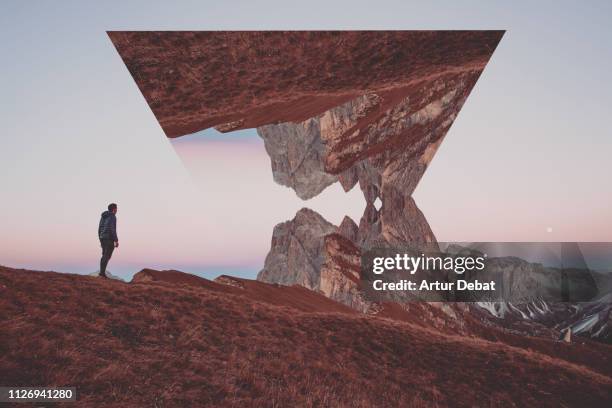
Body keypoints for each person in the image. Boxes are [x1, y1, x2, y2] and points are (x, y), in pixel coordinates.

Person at [98, 203, 119, 278]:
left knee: (104, 255)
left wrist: (100, 239)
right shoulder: (113, 216)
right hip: (109, 239)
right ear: (114, 209)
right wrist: (116, 240)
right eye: (116, 208)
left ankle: (102, 272)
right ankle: (102, 274)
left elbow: (99, 228)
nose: (117, 210)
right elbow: (112, 228)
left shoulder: (103, 217)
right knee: (107, 256)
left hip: (103, 238)